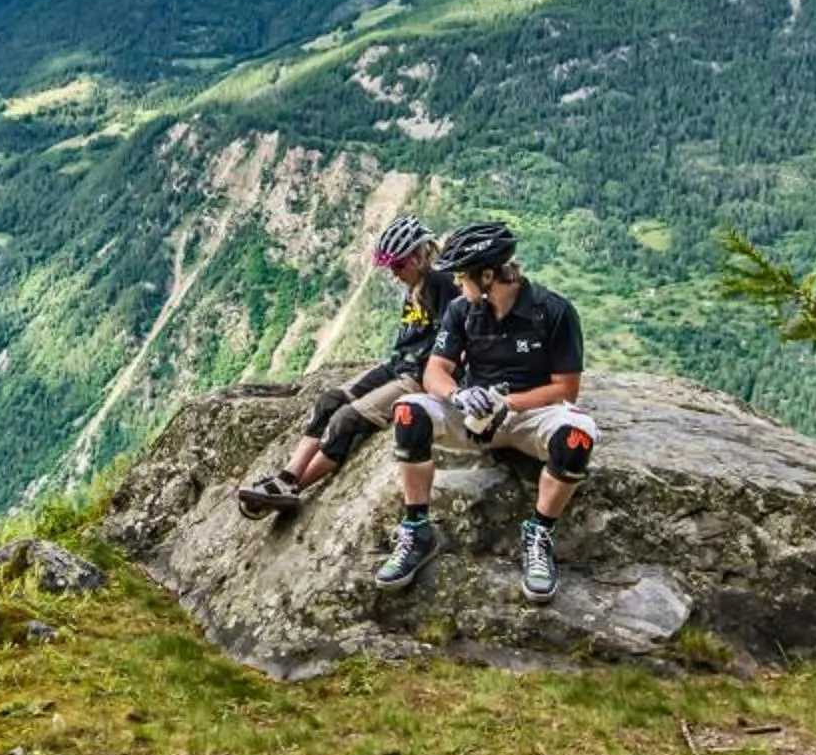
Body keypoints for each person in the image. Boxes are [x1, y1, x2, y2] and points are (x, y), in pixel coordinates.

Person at [374, 220, 596, 603]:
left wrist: (506, 403)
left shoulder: (554, 311)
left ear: (489, 275)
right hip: (473, 411)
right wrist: (459, 396)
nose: (458, 286)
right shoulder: (462, 310)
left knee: (577, 437)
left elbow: (566, 388)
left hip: (529, 414)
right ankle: (418, 529)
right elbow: (435, 371)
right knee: (409, 412)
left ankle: (539, 533)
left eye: (463, 277)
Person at [237, 217, 456, 518]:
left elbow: (454, 337)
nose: (394, 274)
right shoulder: (418, 282)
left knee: (346, 419)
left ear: (417, 257)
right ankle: (285, 480)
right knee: (329, 401)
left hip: (416, 375)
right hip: (398, 363)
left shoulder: (439, 283)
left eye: (398, 265)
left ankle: (293, 489)